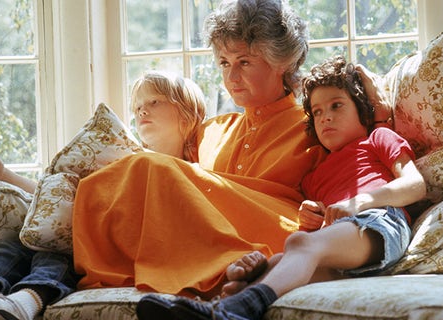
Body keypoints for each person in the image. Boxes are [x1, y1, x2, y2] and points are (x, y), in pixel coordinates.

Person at [0, 70, 207, 320]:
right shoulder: (122, 159)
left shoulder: (195, 166)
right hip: (79, 231)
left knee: (55, 255)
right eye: (137, 107)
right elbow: (61, 202)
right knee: (20, 243)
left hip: (108, 248)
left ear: (188, 112)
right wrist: (4, 175)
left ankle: (18, 306)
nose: (141, 112)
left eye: (154, 102)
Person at [135, 56, 427, 320]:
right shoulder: (314, 175)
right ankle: (217, 312)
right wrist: (310, 215)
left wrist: (360, 202)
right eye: (317, 111)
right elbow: (324, 222)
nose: (326, 116)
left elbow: (415, 186)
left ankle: (237, 310)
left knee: (298, 245)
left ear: (362, 111)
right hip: (343, 238)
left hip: (379, 221)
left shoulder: (377, 138)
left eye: (337, 105)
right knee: (261, 270)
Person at [71, 0, 325, 300]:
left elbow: (340, 196)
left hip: (279, 235)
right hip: (202, 239)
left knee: (150, 165)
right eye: (225, 63)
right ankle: (221, 276)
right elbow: (172, 194)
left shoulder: (316, 127)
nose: (231, 77)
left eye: (244, 62)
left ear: (281, 62)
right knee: (126, 174)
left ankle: (237, 268)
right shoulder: (210, 130)